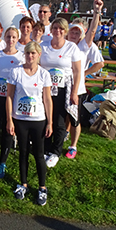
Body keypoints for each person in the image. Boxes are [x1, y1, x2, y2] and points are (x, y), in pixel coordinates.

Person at [6, 41, 53, 205]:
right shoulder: (16, 72)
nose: (30, 56)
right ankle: (23, 184)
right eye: (27, 53)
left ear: (39, 55)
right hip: (20, 119)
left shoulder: (44, 74)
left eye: (33, 53)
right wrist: (9, 119)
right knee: (23, 153)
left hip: (38, 119)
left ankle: (42, 188)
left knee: (39, 154)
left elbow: (47, 99)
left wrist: (50, 122)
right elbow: (10, 96)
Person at [39, 18, 81, 168]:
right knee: (44, 118)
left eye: (61, 29)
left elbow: (77, 71)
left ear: (65, 31)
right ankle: (45, 147)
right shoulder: (43, 46)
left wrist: (74, 92)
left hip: (63, 88)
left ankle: (56, 151)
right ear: (51, 30)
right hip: (45, 88)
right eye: (55, 28)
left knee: (59, 120)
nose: (58, 31)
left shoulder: (71, 48)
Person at [65, 0, 103, 159]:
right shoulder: (64, 44)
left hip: (77, 88)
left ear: (82, 34)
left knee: (74, 118)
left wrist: (96, 12)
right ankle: (62, 137)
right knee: (62, 115)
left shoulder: (84, 46)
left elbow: (93, 31)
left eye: (77, 32)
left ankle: (73, 146)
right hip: (61, 86)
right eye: (72, 32)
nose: (74, 35)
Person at [0, 27, 24, 177]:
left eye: (14, 37)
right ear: (4, 37)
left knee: (8, 129)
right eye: (8, 37)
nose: (11, 40)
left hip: (12, 98)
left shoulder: (21, 56)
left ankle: (2, 161)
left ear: (17, 39)